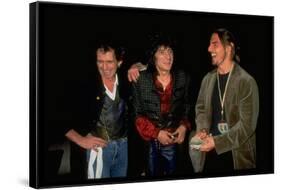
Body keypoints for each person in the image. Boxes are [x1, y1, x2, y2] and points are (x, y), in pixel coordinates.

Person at [191, 28, 259, 173]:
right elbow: (201, 108)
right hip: (210, 153)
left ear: (229, 48)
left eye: (215, 44)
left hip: (237, 157)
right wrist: (202, 129)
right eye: (209, 44)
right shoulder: (207, 79)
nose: (209, 49)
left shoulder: (246, 82)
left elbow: (247, 126)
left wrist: (217, 142)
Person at [65, 41, 129, 179]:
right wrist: (80, 139)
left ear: (120, 62)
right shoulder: (85, 86)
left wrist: (138, 65)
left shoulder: (126, 81)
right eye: (100, 61)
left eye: (110, 62)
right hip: (98, 150)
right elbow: (57, 115)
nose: (104, 67)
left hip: (124, 149)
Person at [132, 35, 191, 176]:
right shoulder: (140, 80)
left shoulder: (183, 77)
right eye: (162, 52)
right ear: (154, 56)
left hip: (176, 144)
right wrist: (157, 133)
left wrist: (184, 126)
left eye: (170, 51)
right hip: (149, 144)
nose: (168, 56)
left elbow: (188, 107)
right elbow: (137, 114)